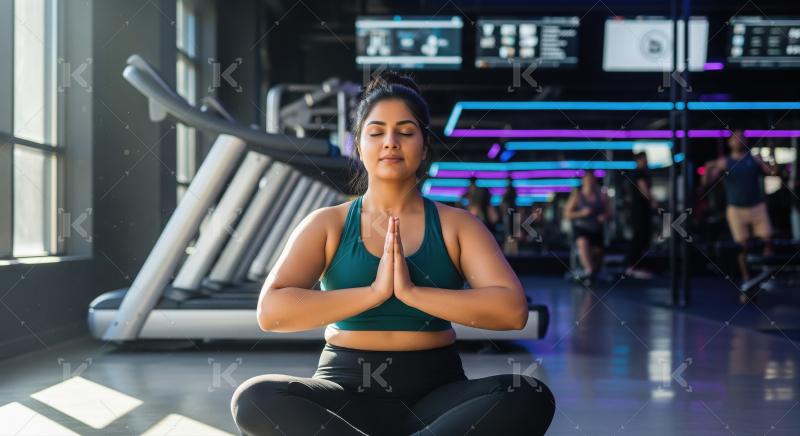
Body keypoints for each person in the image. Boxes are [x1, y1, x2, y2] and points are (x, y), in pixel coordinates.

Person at [230, 71, 555, 436]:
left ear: (425, 145)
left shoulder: (458, 226)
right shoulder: (327, 224)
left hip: (438, 394)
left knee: (528, 393)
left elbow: (512, 312)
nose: (390, 142)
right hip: (345, 389)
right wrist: (373, 294)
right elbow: (271, 313)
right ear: (358, 144)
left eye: (405, 131)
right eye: (376, 132)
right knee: (254, 398)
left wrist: (413, 294)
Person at [703, 128, 776, 303]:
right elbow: (707, 182)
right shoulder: (724, 162)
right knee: (742, 246)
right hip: (736, 209)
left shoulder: (754, 159)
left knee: (768, 239)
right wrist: (708, 168)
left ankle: (765, 275)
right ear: (730, 143)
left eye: (742, 138)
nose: (739, 140)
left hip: (757, 206)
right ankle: (747, 280)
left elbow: (773, 172)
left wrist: (772, 156)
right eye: (736, 138)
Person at [564, 171, 611, 285]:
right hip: (581, 228)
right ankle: (589, 271)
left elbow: (609, 212)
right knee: (583, 242)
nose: (590, 182)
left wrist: (604, 217)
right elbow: (567, 213)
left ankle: (593, 271)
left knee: (597, 254)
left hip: (596, 229)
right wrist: (581, 213)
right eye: (587, 179)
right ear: (583, 181)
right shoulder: (577, 196)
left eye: (591, 179)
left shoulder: (601, 196)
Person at [623, 152, 657, 279]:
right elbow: (645, 191)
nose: (646, 161)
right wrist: (654, 202)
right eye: (644, 159)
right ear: (639, 160)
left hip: (638, 210)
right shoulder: (639, 173)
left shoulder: (634, 173)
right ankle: (632, 266)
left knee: (640, 237)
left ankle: (633, 266)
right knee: (639, 238)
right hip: (640, 211)